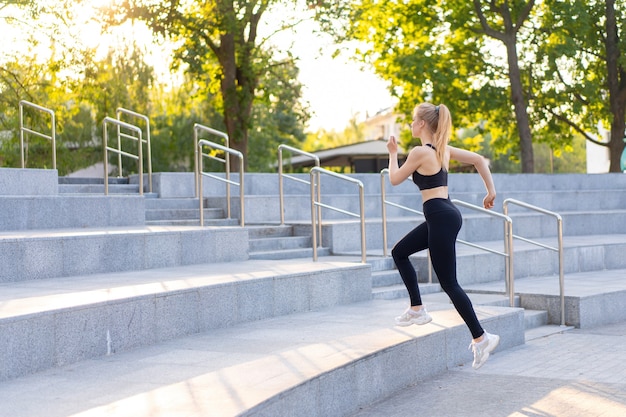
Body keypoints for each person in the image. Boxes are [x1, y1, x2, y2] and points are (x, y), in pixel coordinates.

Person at [386, 102, 499, 370]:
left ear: (422, 124)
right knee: (399, 252)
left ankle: (481, 337)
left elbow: (394, 179)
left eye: (414, 120)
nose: (411, 125)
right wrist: (490, 191)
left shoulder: (419, 152)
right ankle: (417, 309)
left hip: (439, 215)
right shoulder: (442, 149)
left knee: (449, 283)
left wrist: (392, 154)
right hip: (444, 214)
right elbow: (479, 160)